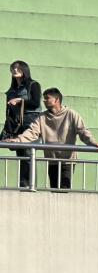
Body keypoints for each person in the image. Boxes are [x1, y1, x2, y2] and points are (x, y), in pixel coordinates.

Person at [3, 88, 98, 193]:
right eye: (44, 98)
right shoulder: (42, 117)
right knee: (54, 191)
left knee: (63, 192)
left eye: (47, 98)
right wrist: (17, 140)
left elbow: (82, 130)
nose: (44, 101)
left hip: (67, 160)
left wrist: (92, 142)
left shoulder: (71, 114)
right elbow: (32, 132)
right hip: (52, 160)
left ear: (57, 100)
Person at [3, 60, 40, 192]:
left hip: (30, 120)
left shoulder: (33, 85)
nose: (15, 70)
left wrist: (20, 100)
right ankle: (23, 185)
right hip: (16, 122)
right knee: (20, 153)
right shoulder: (12, 89)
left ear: (25, 70)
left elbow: (36, 103)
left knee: (29, 152)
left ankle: (30, 185)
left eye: (18, 68)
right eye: (13, 68)